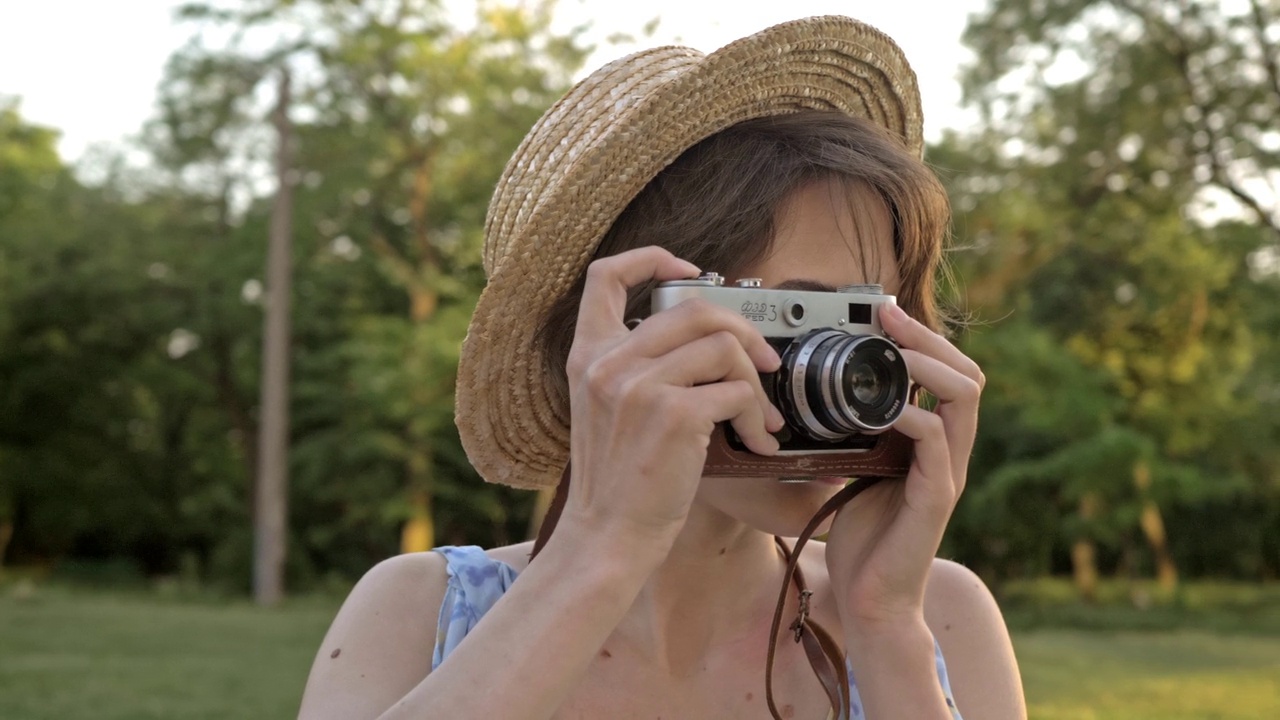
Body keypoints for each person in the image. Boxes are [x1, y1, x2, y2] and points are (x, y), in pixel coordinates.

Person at [298, 15, 1026, 720]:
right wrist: (599, 552)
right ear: (613, 336)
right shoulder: (419, 612)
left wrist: (886, 628)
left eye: (862, 320)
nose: (847, 375)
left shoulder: (939, 617)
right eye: (791, 320)